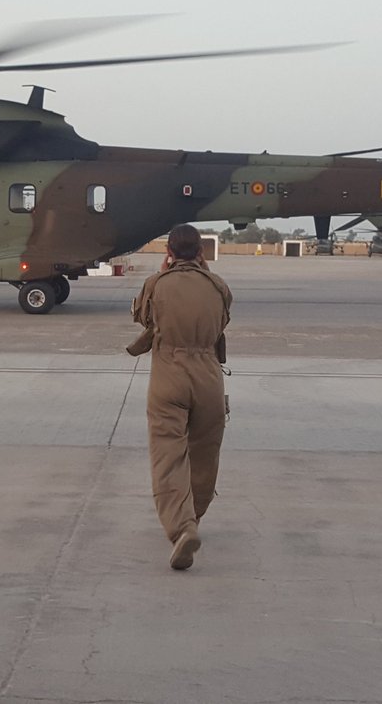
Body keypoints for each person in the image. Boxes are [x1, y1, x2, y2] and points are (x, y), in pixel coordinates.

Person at [126, 223, 232, 570]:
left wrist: (163, 275)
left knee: (168, 454)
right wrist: (205, 275)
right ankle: (194, 516)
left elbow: (142, 317)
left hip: (168, 375)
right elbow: (222, 322)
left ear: (168, 252)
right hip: (208, 377)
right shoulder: (217, 285)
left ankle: (181, 527)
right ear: (201, 252)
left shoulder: (156, 284)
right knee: (204, 453)